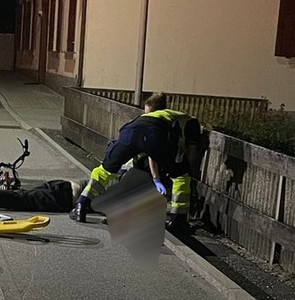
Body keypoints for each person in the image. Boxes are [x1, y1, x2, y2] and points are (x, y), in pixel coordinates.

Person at [71, 94, 202, 227]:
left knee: (104, 170)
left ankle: (81, 205)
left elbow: (151, 152)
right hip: (154, 135)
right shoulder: (189, 121)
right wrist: (186, 170)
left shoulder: (144, 117)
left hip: (129, 132)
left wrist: (156, 178)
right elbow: (191, 150)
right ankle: (178, 219)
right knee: (181, 176)